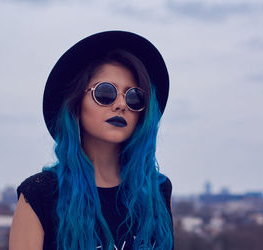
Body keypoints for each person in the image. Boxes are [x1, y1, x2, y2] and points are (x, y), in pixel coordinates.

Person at [9, 31, 174, 250]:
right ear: (76, 103)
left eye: (134, 97)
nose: (121, 105)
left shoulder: (157, 191)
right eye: (106, 93)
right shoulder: (39, 195)